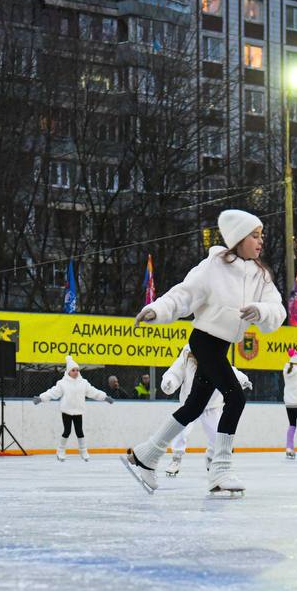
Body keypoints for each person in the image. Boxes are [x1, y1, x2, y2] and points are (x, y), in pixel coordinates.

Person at [122, 208, 286, 496]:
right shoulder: (214, 266)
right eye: (255, 235)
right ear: (239, 239)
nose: (261, 241)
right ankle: (220, 469)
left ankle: (146, 454)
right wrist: (157, 309)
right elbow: (184, 294)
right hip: (204, 341)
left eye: (262, 236)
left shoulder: (261, 275)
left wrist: (260, 310)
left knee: (194, 406)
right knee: (235, 397)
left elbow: (277, 309)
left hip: (221, 346)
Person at [160, 344, 251, 477]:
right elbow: (174, 373)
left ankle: (211, 458)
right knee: (181, 432)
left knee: (217, 435)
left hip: (211, 406)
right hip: (190, 404)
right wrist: (169, 382)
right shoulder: (186, 359)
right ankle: (176, 459)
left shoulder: (214, 357)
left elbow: (230, 371)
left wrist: (242, 379)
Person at [32, 355, 114, 462]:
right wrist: (41, 398)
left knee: (80, 431)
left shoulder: (83, 383)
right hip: (67, 411)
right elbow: (53, 392)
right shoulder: (62, 383)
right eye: (73, 370)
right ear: (68, 371)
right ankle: (61, 451)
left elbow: (93, 392)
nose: (75, 372)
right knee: (67, 431)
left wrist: (105, 397)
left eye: (77, 370)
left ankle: (83, 451)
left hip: (78, 411)